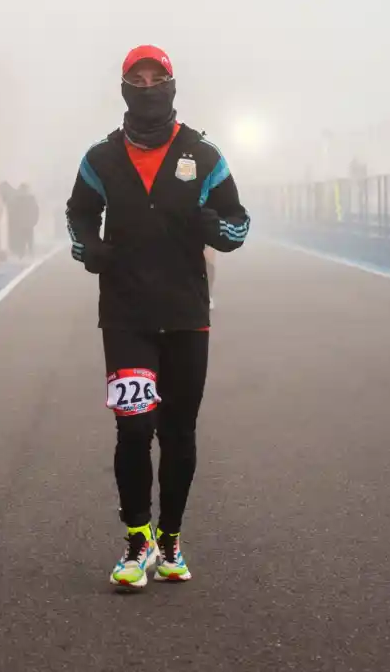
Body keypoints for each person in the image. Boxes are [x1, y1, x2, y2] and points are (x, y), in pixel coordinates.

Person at [66, 44, 250, 590]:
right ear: (123, 88)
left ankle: (170, 539)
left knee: (177, 431)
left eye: (156, 78)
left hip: (187, 316)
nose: (147, 87)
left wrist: (214, 228)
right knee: (134, 428)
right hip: (126, 317)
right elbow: (78, 213)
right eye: (136, 79)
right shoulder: (100, 159)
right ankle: (136, 540)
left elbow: (238, 223)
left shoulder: (204, 154)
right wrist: (88, 248)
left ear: (172, 85)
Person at [14, 183, 39, 258]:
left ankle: (28, 253)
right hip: (23, 223)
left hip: (28, 222)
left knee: (28, 239)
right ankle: (22, 253)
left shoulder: (30, 199)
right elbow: (15, 211)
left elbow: (35, 210)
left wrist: (35, 220)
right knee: (22, 239)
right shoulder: (19, 200)